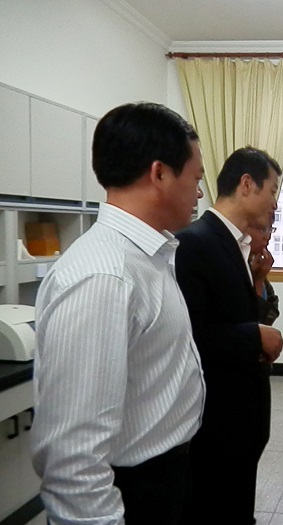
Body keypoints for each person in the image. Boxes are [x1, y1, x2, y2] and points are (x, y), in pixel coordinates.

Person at [31, 102, 206, 525]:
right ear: (159, 173)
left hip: (168, 474)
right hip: (134, 492)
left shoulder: (147, 256)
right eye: (196, 178)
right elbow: (73, 458)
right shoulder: (104, 277)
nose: (199, 193)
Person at [175, 146, 283, 524]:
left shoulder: (235, 243)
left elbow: (232, 313)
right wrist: (255, 338)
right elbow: (189, 336)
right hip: (216, 421)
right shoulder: (195, 243)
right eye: (272, 191)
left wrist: (257, 284)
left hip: (241, 420)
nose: (275, 202)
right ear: (247, 184)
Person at [248, 217, 280, 325]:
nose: (268, 236)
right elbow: (252, 319)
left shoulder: (257, 265)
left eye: (270, 229)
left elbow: (271, 313)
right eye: (262, 229)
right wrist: (257, 280)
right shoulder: (234, 263)